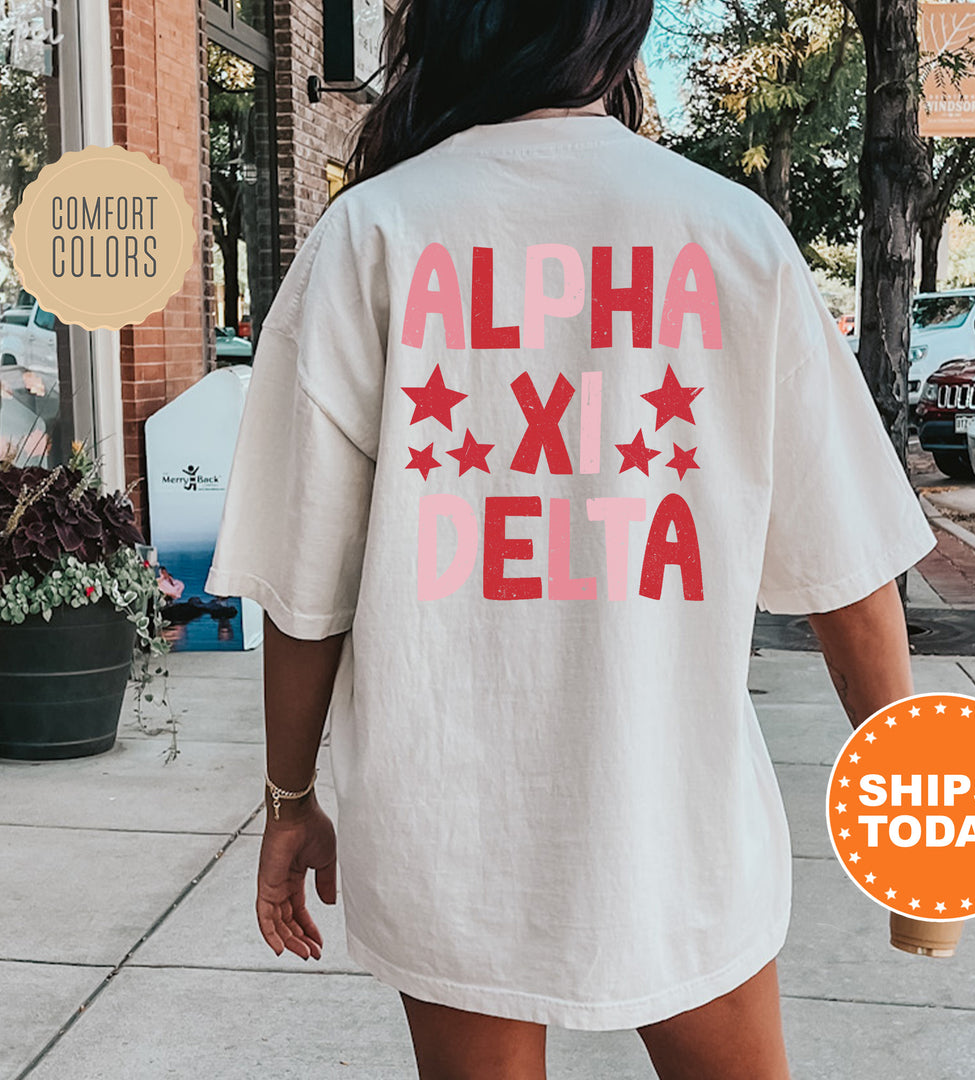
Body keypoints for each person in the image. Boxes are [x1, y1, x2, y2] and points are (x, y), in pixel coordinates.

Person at [205, 2, 937, 1076]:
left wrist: (289, 799)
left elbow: (307, 589)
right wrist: (913, 819)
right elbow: (849, 573)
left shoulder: (371, 236)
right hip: (679, 825)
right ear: (619, 27)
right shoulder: (733, 236)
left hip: (451, 828)